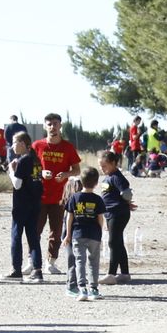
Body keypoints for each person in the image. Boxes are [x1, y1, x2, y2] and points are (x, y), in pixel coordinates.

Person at [31, 112, 82, 275]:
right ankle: (32, 261)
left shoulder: (68, 147)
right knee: (35, 230)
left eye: (55, 123)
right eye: (49, 124)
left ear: (60, 126)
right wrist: (40, 173)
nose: (53, 127)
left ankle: (50, 262)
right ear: (45, 126)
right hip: (39, 195)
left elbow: (77, 169)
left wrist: (66, 174)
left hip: (60, 197)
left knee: (57, 231)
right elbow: (28, 169)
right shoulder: (37, 146)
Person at [6, 131, 45, 281]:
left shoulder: (23, 160)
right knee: (33, 237)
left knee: (16, 236)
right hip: (35, 204)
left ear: (23, 143)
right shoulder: (36, 159)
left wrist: (11, 170)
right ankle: (37, 270)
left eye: (14, 143)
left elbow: (17, 184)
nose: (12, 147)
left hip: (22, 205)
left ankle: (16, 269)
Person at [66, 167, 107, 300]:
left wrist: (68, 234)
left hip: (78, 234)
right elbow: (100, 218)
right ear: (96, 183)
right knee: (93, 262)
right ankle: (93, 289)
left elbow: (69, 217)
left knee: (80, 261)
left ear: (81, 182)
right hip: (94, 234)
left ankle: (82, 288)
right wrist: (100, 231)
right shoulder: (98, 199)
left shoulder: (74, 198)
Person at [99, 149, 136, 284]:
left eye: (105, 166)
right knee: (118, 242)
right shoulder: (108, 177)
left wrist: (127, 202)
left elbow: (126, 193)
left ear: (113, 163)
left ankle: (111, 274)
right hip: (110, 214)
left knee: (113, 242)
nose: (102, 169)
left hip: (118, 213)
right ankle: (125, 273)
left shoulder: (117, 177)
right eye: (101, 166)